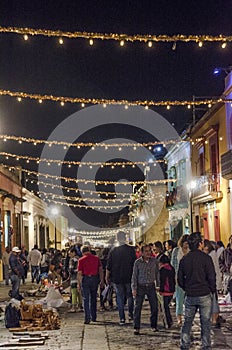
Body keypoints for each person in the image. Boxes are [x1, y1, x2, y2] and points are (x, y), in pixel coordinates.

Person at [178, 232, 216, 350]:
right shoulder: (206, 258)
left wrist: (186, 288)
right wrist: (212, 289)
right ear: (200, 243)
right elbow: (211, 277)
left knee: (187, 322)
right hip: (204, 294)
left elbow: (179, 279)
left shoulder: (185, 259)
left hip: (190, 294)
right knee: (205, 323)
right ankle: (206, 345)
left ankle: (185, 344)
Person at [106, 231, 136, 325]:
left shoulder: (114, 251)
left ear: (117, 238)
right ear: (125, 238)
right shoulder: (131, 250)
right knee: (130, 296)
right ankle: (131, 314)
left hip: (117, 277)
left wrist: (107, 276)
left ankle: (122, 318)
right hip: (129, 276)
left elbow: (109, 265)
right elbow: (135, 264)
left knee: (119, 296)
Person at [131, 244, 160, 335]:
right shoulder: (138, 263)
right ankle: (136, 327)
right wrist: (134, 288)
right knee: (138, 307)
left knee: (154, 306)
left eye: (149, 251)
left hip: (151, 286)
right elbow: (134, 276)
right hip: (141, 286)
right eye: (146, 251)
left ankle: (153, 325)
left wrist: (158, 285)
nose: (148, 253)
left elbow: (157, 274)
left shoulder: (154, 261)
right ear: (142, 253)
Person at [78, 245, 104, 324]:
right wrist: (102, 280)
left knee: (86, 299)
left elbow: (79, 273)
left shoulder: (81, 260)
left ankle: (87, 318)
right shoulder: (96, 258)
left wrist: (79, 284)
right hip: (95, 279)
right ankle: (94, 316)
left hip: (86, 279)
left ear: (83, 252)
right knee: (93, 298)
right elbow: (100, 270)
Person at [171, 234, 189, 326]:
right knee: (179, 298)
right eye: (185, 243)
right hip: (179, 278)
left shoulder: (191, 252)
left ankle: (188, 317)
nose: (186, 245)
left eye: (188, 243)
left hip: (190, 278)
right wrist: (174, 277)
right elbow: (173, 265)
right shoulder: (176, 251)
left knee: (189, 299)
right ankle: (179, 318)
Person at [203, 239, 221, 327]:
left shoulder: (210, 256)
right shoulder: (211, 255)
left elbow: (213, 270)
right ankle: (215, 318)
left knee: (213, 300)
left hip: (212, 282)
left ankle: (214, 319)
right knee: (213, 300)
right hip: (212, 281)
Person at [158, 253, 176, 328]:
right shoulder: (171, 268)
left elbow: (162, 281)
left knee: (165, 308)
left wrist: (160, 289)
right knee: (166, 307)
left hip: (165, 291)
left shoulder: (163, 269)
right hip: (171, 290)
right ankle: (170, 321)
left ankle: (168, 322)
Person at [68, 247, 83, 312]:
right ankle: (80, 306)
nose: (69, 255)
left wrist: (70, 273)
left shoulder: (72, 260)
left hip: (74, 278)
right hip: (80, 278)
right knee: (79, 293)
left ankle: (73, 307)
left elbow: (71, 270)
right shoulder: (79, 259)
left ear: (74, 252)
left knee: (74, 292)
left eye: (70, 253)